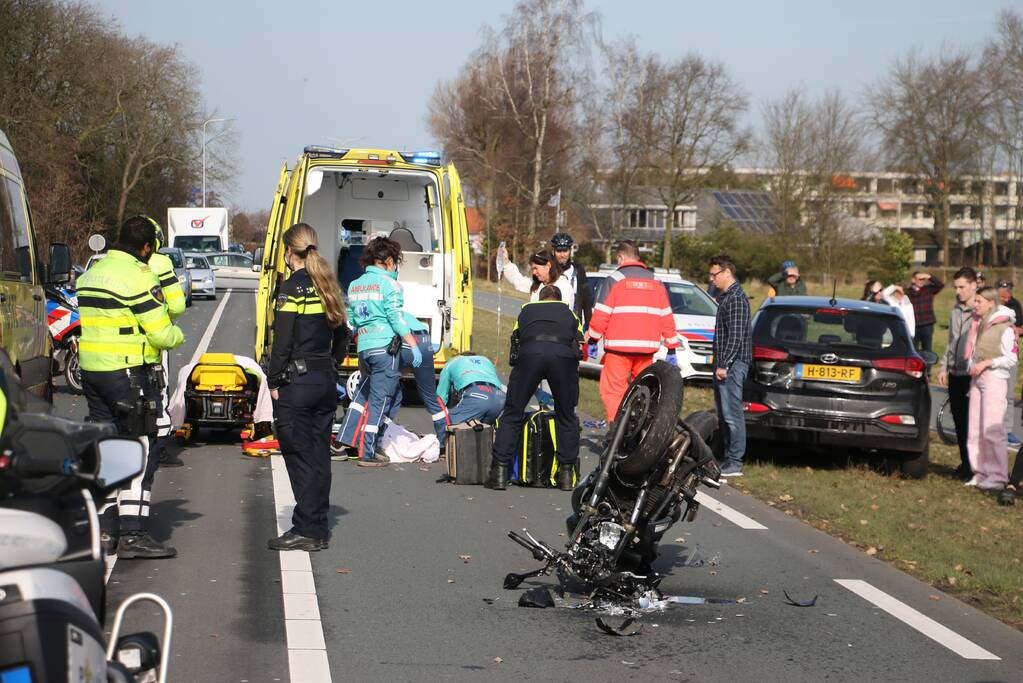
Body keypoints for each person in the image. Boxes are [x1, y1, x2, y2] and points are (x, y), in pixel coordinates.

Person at [77, 216, 185, 558]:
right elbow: (161, 331)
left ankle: (106, 528)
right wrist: (176, 335)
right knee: (143, 447)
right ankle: (133, 533)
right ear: (147, 247)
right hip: (129, 373)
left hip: (93, 374)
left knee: (108, 446)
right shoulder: (138, 277)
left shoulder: (91, 274)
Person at [266, 224, 348, 551]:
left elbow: (282, 343)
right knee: (318, 456)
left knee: (299, 457)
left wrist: (273, 381)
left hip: (297, 385)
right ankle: (318, 525)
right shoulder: (326, 284)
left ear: (289, 251)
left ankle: (306, 529)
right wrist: (333, 364)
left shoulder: (291, 289)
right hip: (325, 382)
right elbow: (343, 334)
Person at [336, 237, 424, 467]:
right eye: (395, 262)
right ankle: (368, 452)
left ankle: (343, 439)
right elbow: (395, 317)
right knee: (380, 401)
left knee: (362, 395)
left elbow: (353, 319)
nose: (395, 267)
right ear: (387, 261)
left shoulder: (355, 284)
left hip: (365, 348)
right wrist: (413, 344)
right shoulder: (390, 285)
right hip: (385, 348)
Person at [487, 285, 582, 492]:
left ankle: (499, 473)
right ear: (559, 299)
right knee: (566, 416)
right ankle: (566, 474)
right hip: (562, 358)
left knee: (512, 413)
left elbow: (515, 341)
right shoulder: (571, 315)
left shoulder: (526, 310)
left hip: (530, 356)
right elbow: (580, 346)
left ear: (540, 298)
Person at [587, 240, 680, 421]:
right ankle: (639, 428)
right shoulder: (656, 282)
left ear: (621, 256)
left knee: (613, 390)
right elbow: (666, 317)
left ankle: (615, 431)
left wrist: (592, 339)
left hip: (618, 350)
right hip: (646, 351)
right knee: (644, 388)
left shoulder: (615, 280)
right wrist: (672, 347)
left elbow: (601, 315)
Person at [140, 216, 186, 469]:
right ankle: (158, 444)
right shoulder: (160, 262)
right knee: (159, 390)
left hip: (112, 348)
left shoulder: (112, 264)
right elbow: (177, 305)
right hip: (154, 339)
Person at [964, 286, 1017, 492]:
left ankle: (997, 475)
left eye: (979, 301)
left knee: (992, 429)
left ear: (990, 302)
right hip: (978, 379)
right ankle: (980, 471)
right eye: (975, 301)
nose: (975, 304)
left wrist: (988, 363)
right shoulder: (980, 323)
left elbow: (1011, 359)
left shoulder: (1004, 326)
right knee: (976, 428)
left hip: (995, 378)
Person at [709, 254, 752, 478]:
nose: (712, 279)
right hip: (726, 364)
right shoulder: (726, 297)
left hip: (732, 366)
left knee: (732, 413)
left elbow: (735, 336)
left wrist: (723, 364)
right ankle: (727, 457)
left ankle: (735, 461)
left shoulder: (735, 299)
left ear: (727, 273)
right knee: (724, 413)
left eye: (715, 274)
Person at [938, 267, 979, 480]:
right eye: (955, 287)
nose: (958, 291)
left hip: (972, 375)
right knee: (960, 421)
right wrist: (944, 366)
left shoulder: (981, 310)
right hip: (955, 373)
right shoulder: (955, 310)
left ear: (974, 285)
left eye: (962, 287)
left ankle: (978, 467)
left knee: (974, 422)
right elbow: (951, 341)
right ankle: (965, 464)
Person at [436, 352, 506, 425]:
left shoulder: (452, 362)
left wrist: (439, 416)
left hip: (476, 394)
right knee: (485, 431)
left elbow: (440, 398)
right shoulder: (486, 360)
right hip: (499, 397)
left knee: (447, 424)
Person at [996, 280, 1022, 445]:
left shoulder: (1015, 305)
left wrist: (1017, 330)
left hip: (1011, 355)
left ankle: (1007, 430)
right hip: (993, 355)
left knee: (1008, 395)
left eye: (1009, 292)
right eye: (1004, 292)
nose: (1007, 296)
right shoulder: (989, 305)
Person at [500, 246, 574, 304]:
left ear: (548, 265)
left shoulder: (563, 286)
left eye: (536, 268)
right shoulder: (538, 284)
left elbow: (564, 316)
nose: (534, 272)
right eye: (533, 269)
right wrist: (506, 262)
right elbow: (519, 281)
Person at [550, 232, 592, 328]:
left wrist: (589, 329)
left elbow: (586, 301)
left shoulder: (578, 271)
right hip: (553, 324)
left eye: (565, 251)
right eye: (559, 251)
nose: (562, 255)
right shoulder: (548, 270)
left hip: (574, 325)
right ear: (553, 251)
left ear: (570, 251)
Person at [906, 271, 944, 353]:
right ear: (913, 280)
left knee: (927, 350)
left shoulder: (928, 289)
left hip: (927, 325)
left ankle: (927, 366)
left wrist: (929, 276)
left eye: (923, 279)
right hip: (913, 326)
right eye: (919, 279)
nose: (922, 281)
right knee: (913, 350)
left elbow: (940, 285)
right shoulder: (908, 292)